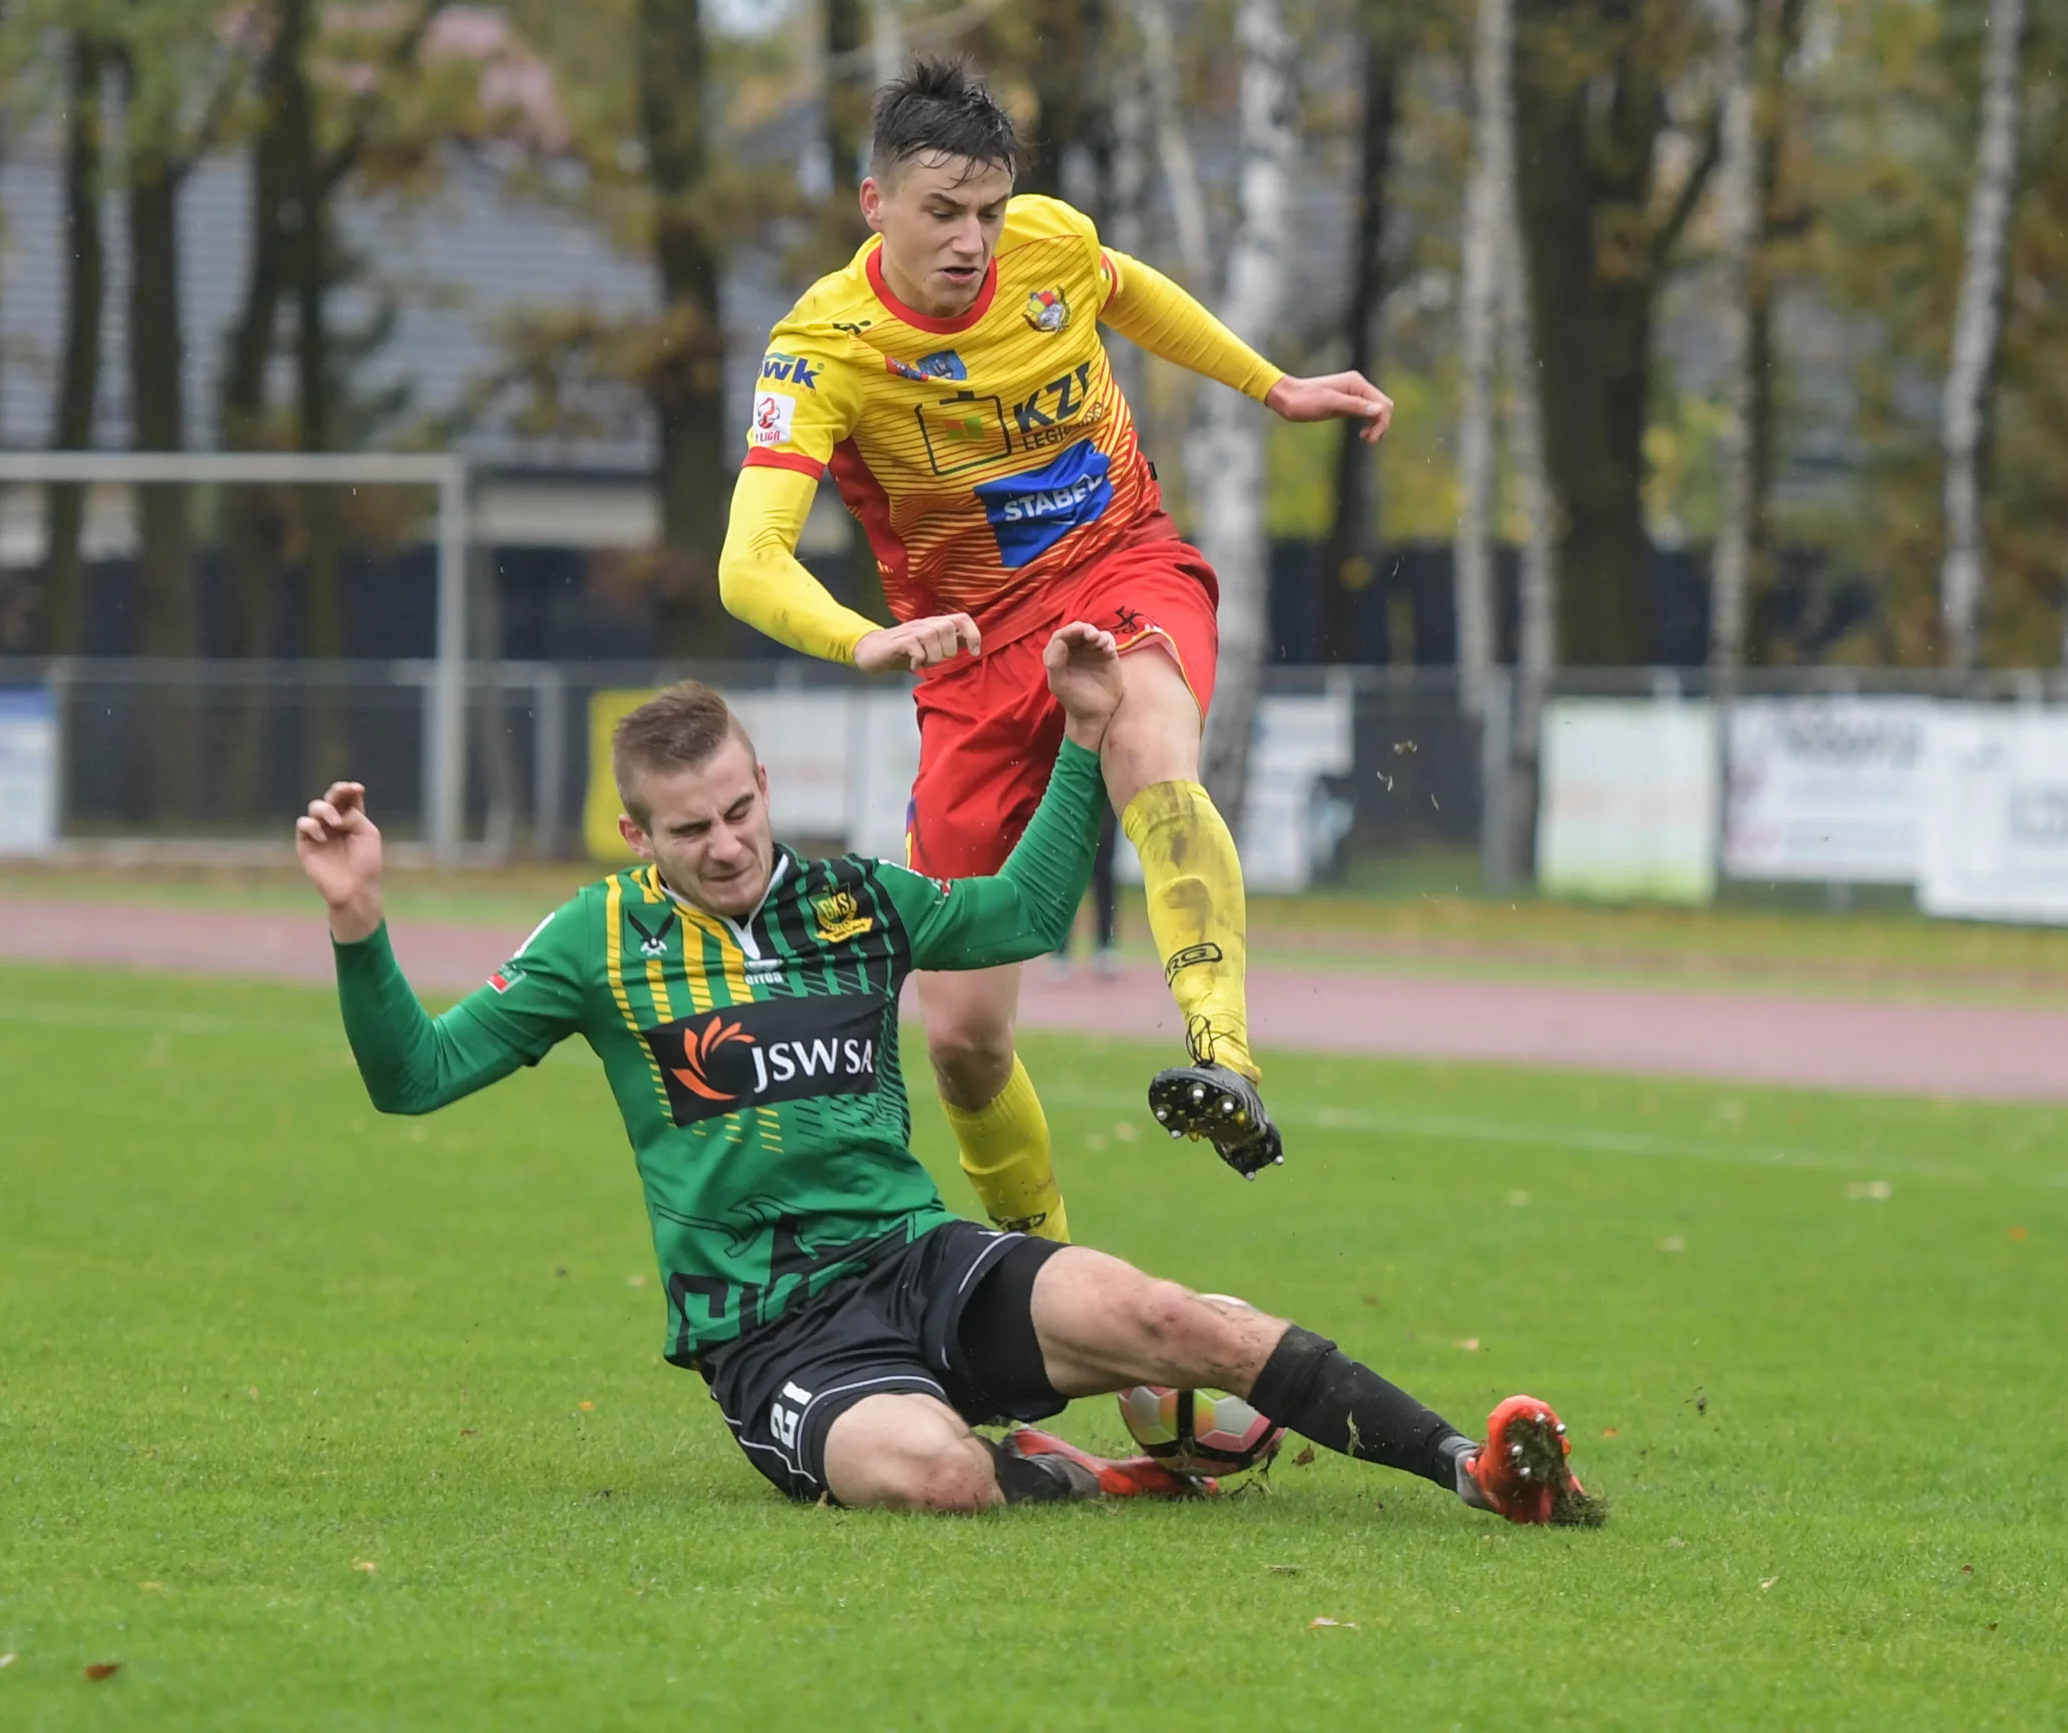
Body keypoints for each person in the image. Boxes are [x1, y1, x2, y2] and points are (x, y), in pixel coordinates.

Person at [295, 625, 1598, 1522]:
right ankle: (1100, 1477)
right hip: (773, 1331)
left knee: (1175, 1320)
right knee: (937, 1479)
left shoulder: (852, 899)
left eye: (740, 810)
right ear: (637, 833)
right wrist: (360, 925)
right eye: (689, 831)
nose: (729, 845)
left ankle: (1478, 1471)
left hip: (922, 1258)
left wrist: (1087, 737)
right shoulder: (599, 939)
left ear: (761, 779)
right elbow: (415, 1074)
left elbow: (1027, 911)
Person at [717, 56, 1395, 1243]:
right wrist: (864, 639)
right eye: (942, 212)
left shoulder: (1049, 243)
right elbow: (747, 562)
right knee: (964, 1042)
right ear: (874, 204)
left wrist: (1269, 386)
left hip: (1117, 565)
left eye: (986, 211)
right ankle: (1048, 1277)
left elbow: (1122, 289)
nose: (973, 240)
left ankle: (1221, 1050)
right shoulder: (820, 346)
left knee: (1147, 731)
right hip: (968, 654)